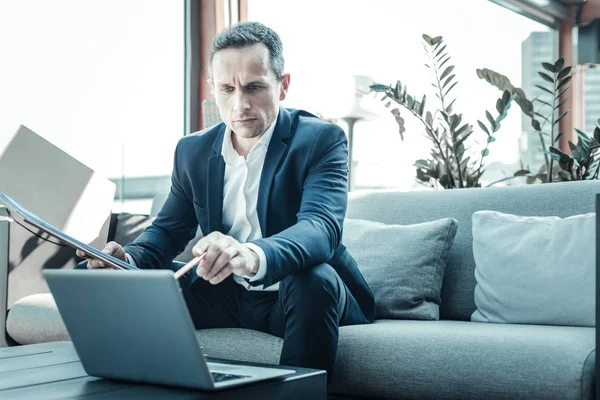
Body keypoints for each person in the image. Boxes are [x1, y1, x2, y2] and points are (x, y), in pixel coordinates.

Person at [77, 21, 375, 382]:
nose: (240, 105)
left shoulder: (320, 140)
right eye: (227, 89)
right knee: (116, 282)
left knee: (312, 279)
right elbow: (168, 231)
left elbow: (320, 229)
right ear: (212, 89)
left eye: (254, 87)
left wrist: (251, 254)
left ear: (283, 86)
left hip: (299, 296)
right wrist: (126, 260)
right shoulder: (193, 151)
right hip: (228, 295)